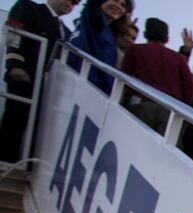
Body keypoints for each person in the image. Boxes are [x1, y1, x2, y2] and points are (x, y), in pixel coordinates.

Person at [0, 0, 76, 163]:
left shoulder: (66, 32)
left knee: (38, 129)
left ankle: (25, 164)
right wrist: (15, 64)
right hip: (26, 77)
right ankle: (5, 161)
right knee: (15, 122)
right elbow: (13, 33)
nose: (72, 4)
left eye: (75, 3)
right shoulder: (28, 8)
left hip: (49, 86)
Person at [120, 18, 193, 134]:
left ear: (145, 34)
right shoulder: (179, 58)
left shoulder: (135, 49)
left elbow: (123, 76)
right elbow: (190, 83)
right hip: (169, 110)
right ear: (167, 39)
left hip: (141, 104)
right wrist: (182, 106)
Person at [69, 0, 134, 94]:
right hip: (83, 82)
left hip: (95, 88)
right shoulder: (93, 19)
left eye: (123, 5)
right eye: (115, 0)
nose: (118, 6)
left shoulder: (109, 33)